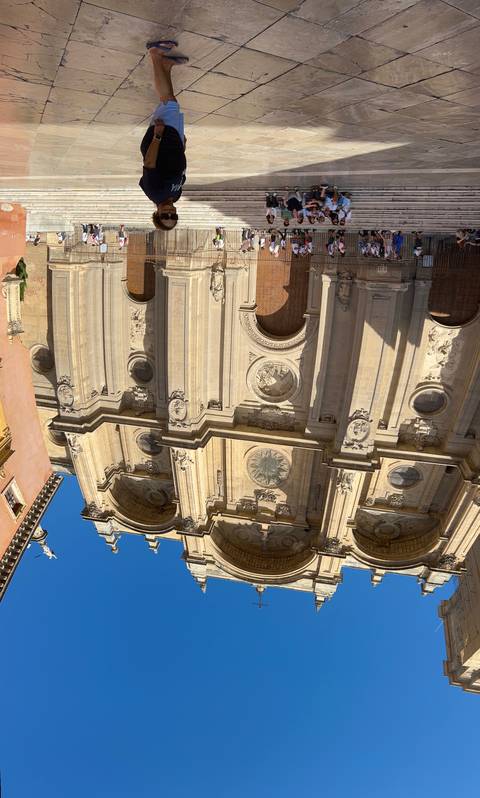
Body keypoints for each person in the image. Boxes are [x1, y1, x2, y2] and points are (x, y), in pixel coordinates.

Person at [139, 41, 189, 230]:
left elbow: (149, 164)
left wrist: (157, 136)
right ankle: (166, 66)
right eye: (172, 216)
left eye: (164, 216)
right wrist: (183, 148)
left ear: (157, 214)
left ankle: (154, 55)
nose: (169, 212)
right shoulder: (175, 196)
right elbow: (180, 172)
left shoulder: (155, 193)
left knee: (168, 101)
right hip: (174, 142)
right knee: (172, 102)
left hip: (160, 140)